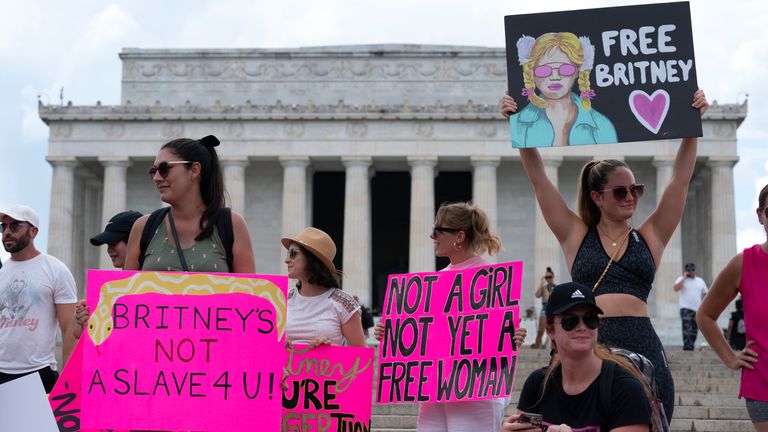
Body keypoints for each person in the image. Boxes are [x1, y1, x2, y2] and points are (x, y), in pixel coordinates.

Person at [500, 88, 709, 420]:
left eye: (636, 190)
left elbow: (680, 182)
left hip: (643, 342)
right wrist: (518, 125)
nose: (632, 197)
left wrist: (691, 124)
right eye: (621, 191)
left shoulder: (649, 235)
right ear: (597, 197)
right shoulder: (576, 235)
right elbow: (540, 181)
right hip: (590, 342)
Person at [376, 202, 527, 432]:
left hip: (475, 391)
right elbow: (427, 335)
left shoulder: (490, 279)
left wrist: (513, 335)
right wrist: (392, 333)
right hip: (435, 390)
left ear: (459, 236)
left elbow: (499, 337)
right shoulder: (436, 281)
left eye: (438, 230)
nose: (432, 236)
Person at [502, 282, 651, 432]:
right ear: (550, 331)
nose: (582, 327)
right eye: (570, 320)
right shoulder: (537, 384)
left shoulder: (625, 389)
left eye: (590, 319)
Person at [123, 135, 255, 273]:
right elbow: (128, 291)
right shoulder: (143, 227)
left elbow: (246, 291)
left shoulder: (231, 225)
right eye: (153, 171)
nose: (156, 178)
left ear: (194, 170)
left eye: (164, 168)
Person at [697, 184, 768, 431]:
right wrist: (730, 357)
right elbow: (705, 315)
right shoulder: (744, 263)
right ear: (760, 215)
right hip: (763, 383)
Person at [0, 205, 78, 393]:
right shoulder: (1, 271)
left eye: (15, 226)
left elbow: (69, 329)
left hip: (38, 374)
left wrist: (69, 381)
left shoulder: (55, 269)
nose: (7, 232)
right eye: (3, 226)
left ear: (33, 231)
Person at [510, 32, 617, 147]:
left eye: (565, 69)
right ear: (532, 74)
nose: (555, 77)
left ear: (578, 71)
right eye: (544, 70)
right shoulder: (517, 124)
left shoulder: (602, 125)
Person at [283, 227, 366, 348]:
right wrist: (276, 344)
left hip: (327, 367)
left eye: (293, 254)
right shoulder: (282, 299)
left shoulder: (344, 302)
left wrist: (331, 349)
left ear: (312, 259)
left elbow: (361, 356)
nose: (286, 260)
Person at [673, 262, 708, 350]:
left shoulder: (700, 281)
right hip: (685, 308)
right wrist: (684, 277)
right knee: (687, 329)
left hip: (697, 309)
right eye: (689, 270)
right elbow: (676, 288)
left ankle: (690, 346)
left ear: (695, 270)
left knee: (694, 331)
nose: (691, 272)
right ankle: (688, 348)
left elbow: (706, 293)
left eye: (692, 270)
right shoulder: (681, 279)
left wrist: (704, 305)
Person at [532, 266, 556, 348]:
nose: (548, 279)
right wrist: (541, 283)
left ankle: (554, 350)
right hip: (545, 307)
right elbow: (537, 295)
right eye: (546, 277)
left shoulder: (556, 288)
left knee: (553, 331)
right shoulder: (544, 287)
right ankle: (536, 349)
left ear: (552, 277)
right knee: (540, 330)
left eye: (549, 277)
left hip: (553, 308)